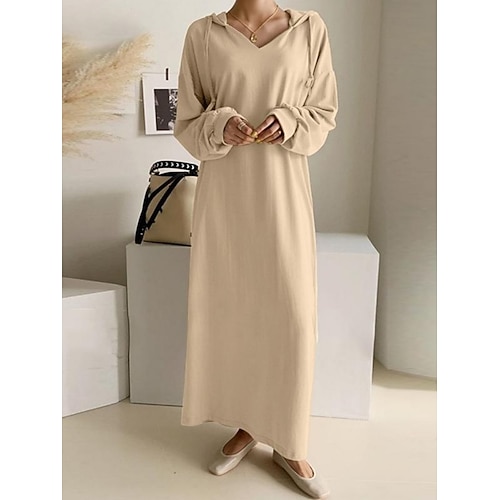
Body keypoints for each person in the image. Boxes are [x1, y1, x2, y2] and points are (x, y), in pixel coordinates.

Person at [173, 1, 338, 498]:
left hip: (283, 191)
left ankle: (290, 440)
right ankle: (248, 424)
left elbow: (324, 111)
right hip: (225, 197)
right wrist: (219, 125)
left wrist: (288, 121)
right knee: (236, 312)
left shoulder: (309, 29)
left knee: (293, 316)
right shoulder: (203, 34)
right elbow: (187, 120)